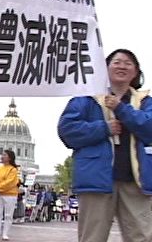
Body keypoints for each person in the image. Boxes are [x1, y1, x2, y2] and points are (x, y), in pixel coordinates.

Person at [58, 48, 152, 242]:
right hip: (96, 180)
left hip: (136, 182)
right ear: (104, 69)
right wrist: (104, 128)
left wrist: (121, 109)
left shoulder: (144, 102)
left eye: (128, 63)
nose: (122, 66)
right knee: (92, 237)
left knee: (142, 236)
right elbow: (67, 130)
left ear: (135, 72)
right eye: (116, 62)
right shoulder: (87, 98)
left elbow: (149, 127)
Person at [0, 150, 19, 240]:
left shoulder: (13, 169)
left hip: (10, 195)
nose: (2, 156)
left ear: (10, 158)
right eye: (2, 155)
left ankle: (5, 233)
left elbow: (9, 182)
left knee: (8, 215)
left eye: (4, 155)